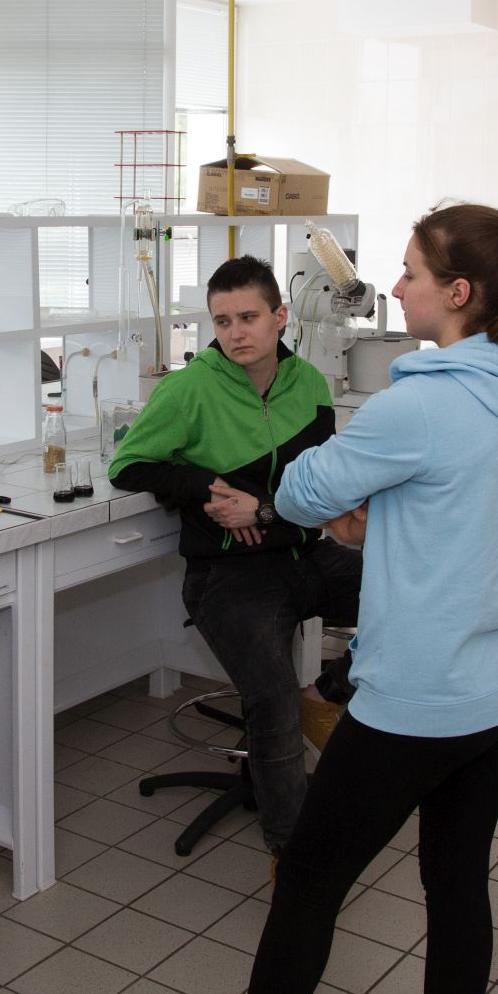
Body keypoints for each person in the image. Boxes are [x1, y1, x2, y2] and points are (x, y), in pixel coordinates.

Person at [244, 204, 498, 994]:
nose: (394, 287)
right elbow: (472, 515)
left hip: (426, 693)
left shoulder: (419, 407)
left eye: (410, 272)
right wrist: (386, 515)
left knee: (308, 878)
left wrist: (357, 500)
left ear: (458, 293)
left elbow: (300, 493)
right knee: (456, 881)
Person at [107, 255, 361, 859]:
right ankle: (291, 853)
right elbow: (127, 465)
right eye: (222, 321)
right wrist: (205, 487)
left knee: (410, 594)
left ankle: (324, 694)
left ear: (280, 317)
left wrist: (263, 510)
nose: (235, 333)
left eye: (248, 317)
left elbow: (322, 487)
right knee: (270, 696)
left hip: (300, 553)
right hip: (228, 574)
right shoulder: (189, 388)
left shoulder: (310, 385)